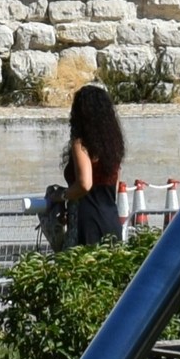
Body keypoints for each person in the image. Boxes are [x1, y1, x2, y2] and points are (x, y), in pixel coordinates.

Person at [62, 82, 128, 245]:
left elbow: (85, 184)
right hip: (111, 218)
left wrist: (62, 195)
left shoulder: (81, 144)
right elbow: (115, 182)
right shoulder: (112, 145)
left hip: (87, 221)